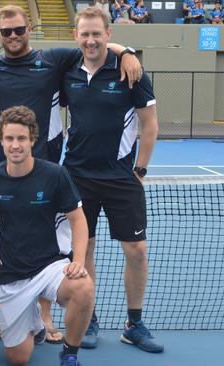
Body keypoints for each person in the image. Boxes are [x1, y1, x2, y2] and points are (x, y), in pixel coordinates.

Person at [0, 4, 141, 346]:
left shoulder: (53, 59)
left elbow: (91, 42)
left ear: (29, 29)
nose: (13, 36)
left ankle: (45, 318)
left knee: (47, 249)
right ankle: (2, 315)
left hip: (47, 172)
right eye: (7, 32)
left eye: (19, 29)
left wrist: (124, 51)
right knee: (0, 246)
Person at [60, 6, 163, 353]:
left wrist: (141, 170)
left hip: (121, 178)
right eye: (84, 34)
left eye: (97, 34)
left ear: (108, 35)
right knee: (84, 250)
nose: (91, 40)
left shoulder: (130, 72)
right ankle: (89, 319)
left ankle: (133, 324)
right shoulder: (67, 69)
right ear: (75, 35)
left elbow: (150, 125)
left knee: (136, 251)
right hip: (76, 176)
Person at [0, 106, 94, 366]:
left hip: (50, 268)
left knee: (83, 287)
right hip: (11, 277)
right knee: (18, 359)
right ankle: (35, 324)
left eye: (21, 138)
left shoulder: (55, 174)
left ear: (33, 139)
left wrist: (79, 261)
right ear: (1, 141)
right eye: (9, 139)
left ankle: (70, 353)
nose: (15, 145)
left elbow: (79, 220)